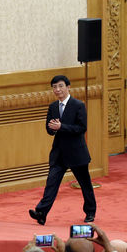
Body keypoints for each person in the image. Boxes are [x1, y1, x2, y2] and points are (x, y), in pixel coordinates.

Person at [29, 75, 96, 225]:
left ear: (68, 87)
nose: (57, 90)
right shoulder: (53, 107)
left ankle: (90, 212)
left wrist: (62, 127)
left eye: (60, 86)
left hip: (76, 153)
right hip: (59, 153)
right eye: (54, 87)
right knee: (51, 184)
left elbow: (81, 128)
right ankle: (41, 213)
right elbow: (49, 128)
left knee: (85, 184)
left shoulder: (78, 105)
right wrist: (52, 128)